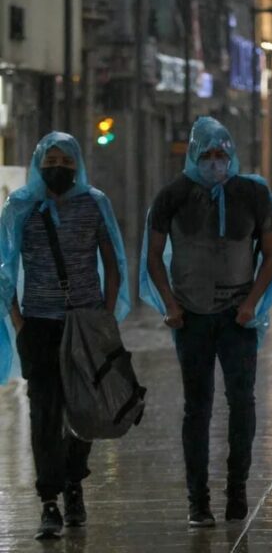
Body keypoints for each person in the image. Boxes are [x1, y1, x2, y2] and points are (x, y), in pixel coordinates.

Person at [142, 117, 272, 526]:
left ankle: (236, 487)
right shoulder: (173, 196)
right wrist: (170, 304)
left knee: (242, 403)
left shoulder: (252, 194)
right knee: (197, 408)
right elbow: (152, 256)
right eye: (206, 154)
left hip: (238, 317)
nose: (215, 162)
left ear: (232, 154)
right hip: (191, 318)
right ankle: (197, 499)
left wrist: (252, 304)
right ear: (192, 155)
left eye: (221, 153)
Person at [0, 132, 131, 539]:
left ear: (78, 164)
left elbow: (113, 262)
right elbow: (5, 266)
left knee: (84, 412)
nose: (59, 167)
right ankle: (50, 502)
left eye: (67, 160)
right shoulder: (20, 207)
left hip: (85, 324)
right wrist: (19, 320)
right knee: (44, 414)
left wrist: (105, 316)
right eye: (52, 159)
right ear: (39, 162)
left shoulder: (94, 203)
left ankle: (74, 484)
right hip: (39, 325)